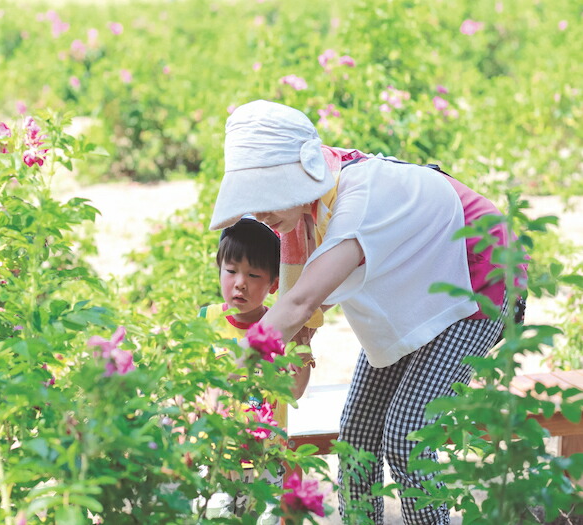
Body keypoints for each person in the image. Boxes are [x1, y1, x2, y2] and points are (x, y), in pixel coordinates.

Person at [208, 100, 527, 524]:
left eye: (266, 195)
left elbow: (301, 302)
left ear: (298, 175)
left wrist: (227, 378)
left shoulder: (358, 198)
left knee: (407, 434)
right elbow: (298, 307)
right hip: (419, 287)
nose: (260, 212)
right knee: (356, 436)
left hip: (482, 277)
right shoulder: (309, 209)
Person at [196, 217, 315, 523]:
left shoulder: (283, 325)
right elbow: (194, 381)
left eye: (253, 274)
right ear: (219, 268)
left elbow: (294, 391)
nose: (240, 283)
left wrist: (302, 348)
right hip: (217, 458)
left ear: (274, 283)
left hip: (266, 460)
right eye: (231, 271)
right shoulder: (206, 320)